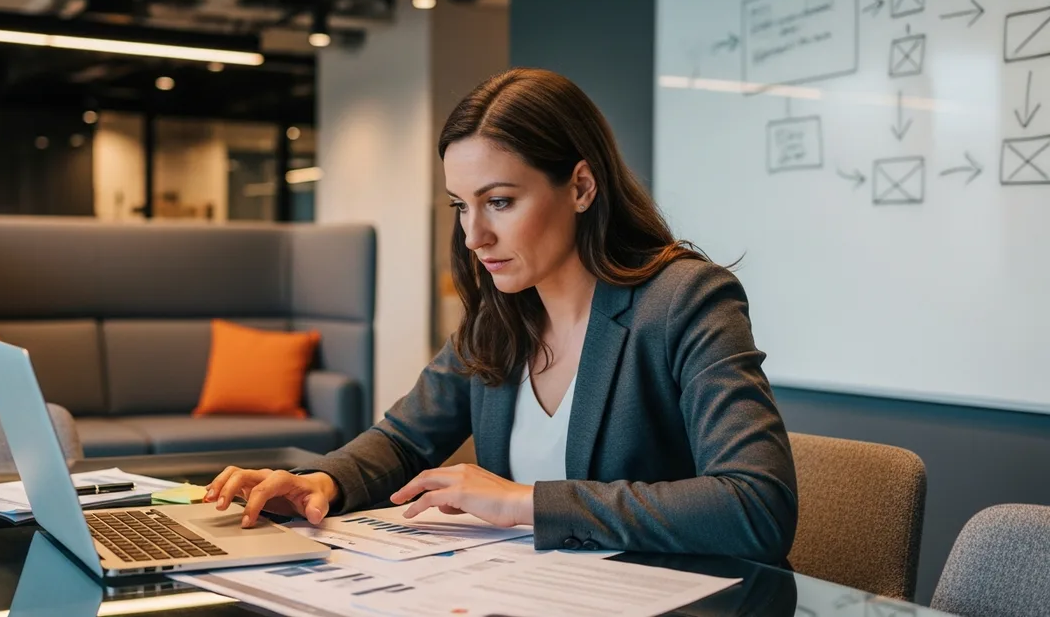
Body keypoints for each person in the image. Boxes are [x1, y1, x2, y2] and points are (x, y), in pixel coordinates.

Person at [205, 68, 798, 563]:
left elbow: (755, 505)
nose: (474, 236)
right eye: (462, 207)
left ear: (582, 186)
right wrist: (321, 483)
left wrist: (526, 502)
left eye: (499, 202)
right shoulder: (500, 316)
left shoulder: (685, 301)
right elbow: (404, 440)